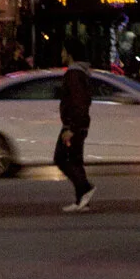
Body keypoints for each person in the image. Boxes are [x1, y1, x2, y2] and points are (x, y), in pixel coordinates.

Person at [55, 47, 94, 213]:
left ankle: (85, 188)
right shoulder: (80, 73)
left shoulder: (73, 75)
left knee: (61, 158)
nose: (62, 54)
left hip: (74, 125)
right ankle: (81, 201)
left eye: (64, 51)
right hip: (78, 124)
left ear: (70, 54)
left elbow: (78, 103)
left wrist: (70, 127)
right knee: (75, 160)